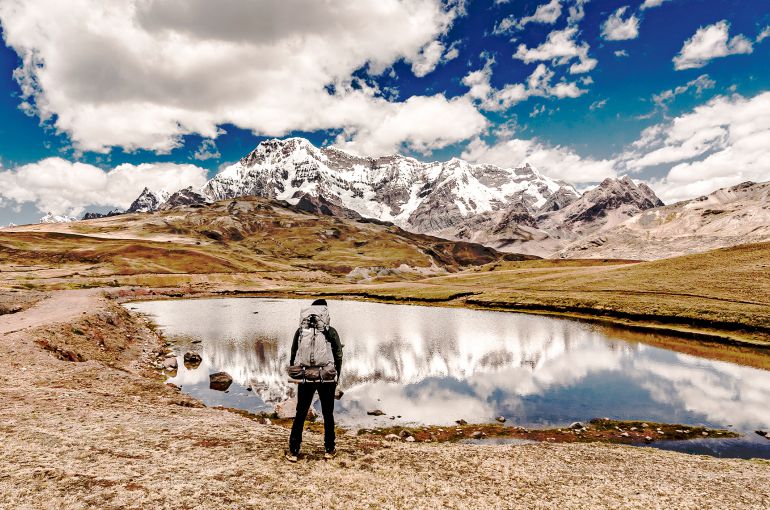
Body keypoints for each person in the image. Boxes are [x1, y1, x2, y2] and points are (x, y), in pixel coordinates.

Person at [286, 299, 343, 462]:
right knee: (328, 413)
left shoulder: (301, 331)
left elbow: (294, 353)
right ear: (325, 312)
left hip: (306, 376)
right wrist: (336, 375)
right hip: (326, 377)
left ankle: (294, 451)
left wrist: (298, 372)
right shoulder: (330, 331)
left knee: (301, 412)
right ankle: (329, 449)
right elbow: (338, 355)